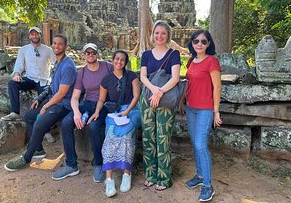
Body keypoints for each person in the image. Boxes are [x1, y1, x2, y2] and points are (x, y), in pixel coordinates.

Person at [4, 34, 77, 171]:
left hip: (64, 105)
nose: (56, 46)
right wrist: (39, 99)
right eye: (54, 43)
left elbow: (61, 93)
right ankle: (38, 150)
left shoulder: (68, 66)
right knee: (29, 117)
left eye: (60, 44)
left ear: (65, 47)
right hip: (53, 101)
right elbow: (52, 87)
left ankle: (27, 157)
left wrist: (46, 106)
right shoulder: (57, 63)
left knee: (40, 121)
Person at [52, 43, 113, 183]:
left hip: (104, 104)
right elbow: (74, 97)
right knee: (67, 123)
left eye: (93, 52)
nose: (90, 55)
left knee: (93, 126)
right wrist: (76, 113)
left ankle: (98, 163)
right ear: (83, 55)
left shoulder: (107, 67)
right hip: (87, 103)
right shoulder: (82, 73)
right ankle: (71, 164)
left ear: (97, 53)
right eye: (87, 53)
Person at [179, 29, 222, 202]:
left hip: (205, 109)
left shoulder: (212, 61)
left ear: (209, 44)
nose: (199, 44)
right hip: (191, 108)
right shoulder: (191, 60)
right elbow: (188, 83)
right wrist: (182, 101)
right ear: (192, 43)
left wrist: (216, 111)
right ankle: (200, 176)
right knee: (195, 143)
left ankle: (208, 185)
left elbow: (217, 88)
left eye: (203, 41)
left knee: (200, 145)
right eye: (196, 41)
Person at [93, 50, 141, 197]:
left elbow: (137, 95)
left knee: (126, 137)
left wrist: (127, 112)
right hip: (114, 113)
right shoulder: (106, 79)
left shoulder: (132, 76)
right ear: (112, 60)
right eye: (117, 59)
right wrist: (96, 112)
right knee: (110, 138)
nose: (119, 62)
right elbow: (101, 99)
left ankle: (127, 174)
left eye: (122, 60)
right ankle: (109, 180)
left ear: (125, 63)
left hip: (131, 111)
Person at [140, 20, 181, 191]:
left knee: (163, 137)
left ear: (168, 36)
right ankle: (151, 174)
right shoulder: (146, 55)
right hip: (148, 98)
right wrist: (153, 91)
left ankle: (164, 178)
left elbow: (175, 78)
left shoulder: (173, 54)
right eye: (157, 33)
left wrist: (159, 92)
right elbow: (143, 77)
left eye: (163, 33)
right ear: (152, 35)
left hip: (166, 98)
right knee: (149, 137)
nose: (159, 36)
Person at [1, 26, 56, 143]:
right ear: (29, 36)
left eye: (36, 34)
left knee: (45, 100)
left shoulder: (47, 50)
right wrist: (17, 74)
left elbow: (56, 64)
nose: (34, 36)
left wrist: (55, 78)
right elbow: (19, 65)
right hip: (30, 78)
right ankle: (15, 112)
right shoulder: (24, 50)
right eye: (32, 34)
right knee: (12, 84)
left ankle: (46, 129)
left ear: (40, 35)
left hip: (44, 80)